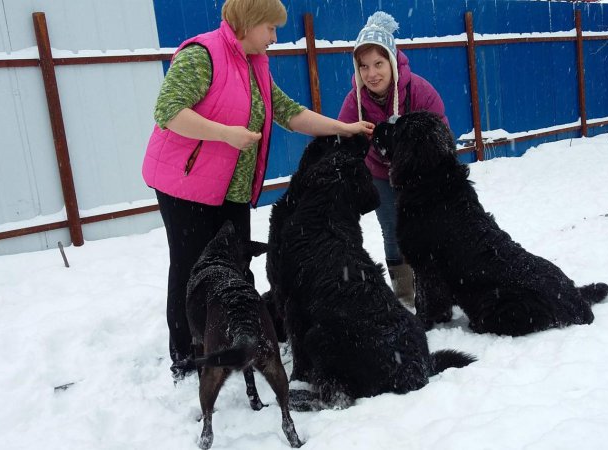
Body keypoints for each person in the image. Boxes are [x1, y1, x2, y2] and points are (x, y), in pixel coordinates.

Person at [142, 0, 374, 382]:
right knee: (191, 269)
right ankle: (185, 355)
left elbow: (290, 113)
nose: (274, 37)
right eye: (270, 28)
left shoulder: (256, 66)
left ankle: (237, 342)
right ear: (249, 24)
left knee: (236, 266)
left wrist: (343, 128)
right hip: (184, 185)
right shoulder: (203, 56)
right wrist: (225, 134)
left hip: (230, 188)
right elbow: (168, 111)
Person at [337, 11, 449, 307]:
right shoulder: (354, 101)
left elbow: (441, 136)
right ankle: (405, 295)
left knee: (428, 226)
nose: (371, 74)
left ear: (392, 61)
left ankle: (437, 288)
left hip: (418, 176)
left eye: (378, 64)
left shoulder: (420, 91)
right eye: (364, 67)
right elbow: (343, 143)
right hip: (378, 172)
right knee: (392, 228)